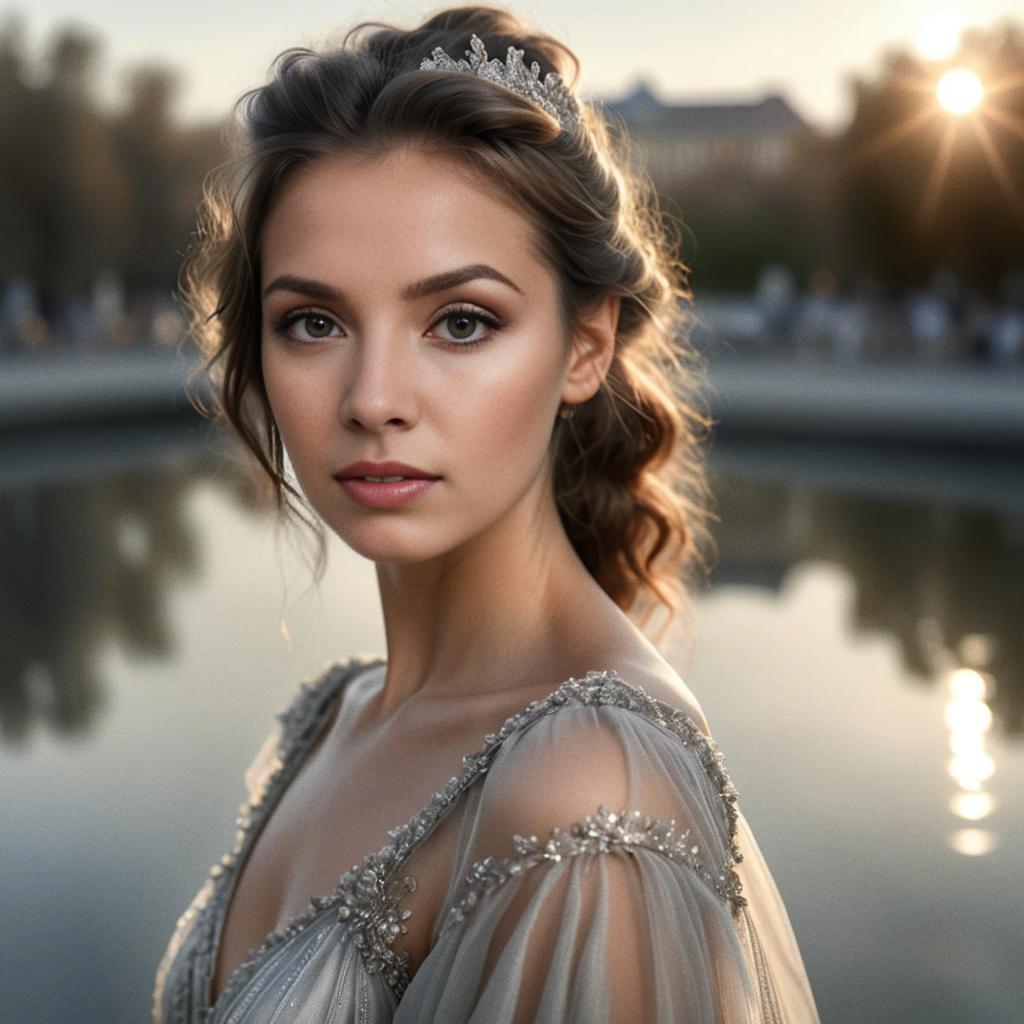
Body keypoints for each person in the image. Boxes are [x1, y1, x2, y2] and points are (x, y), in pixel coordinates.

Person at [152, 6, 821, 1021]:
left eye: (461, 321)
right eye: (314, 322)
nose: (373, 397)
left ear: (585, 345)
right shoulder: (334, 714)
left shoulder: (589, 789)